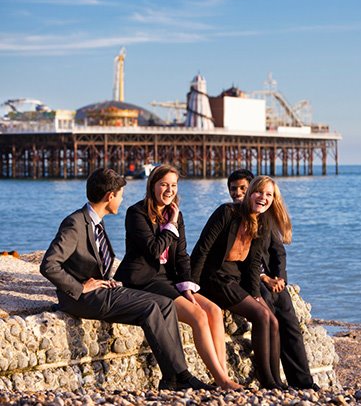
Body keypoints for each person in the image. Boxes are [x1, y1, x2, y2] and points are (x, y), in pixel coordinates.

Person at [40, 168, 213, 391]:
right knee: (151, 306)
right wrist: (80, 287)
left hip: (102, 289)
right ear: (110, 196)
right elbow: (49, 265)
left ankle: (173, 377)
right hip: (80, 298)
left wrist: (104, 280)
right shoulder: (76, 223)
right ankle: (181, 376)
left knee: (165, 304)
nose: (122, 200)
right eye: (120, 194)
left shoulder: (95, 222)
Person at [114, 165, 241, 390]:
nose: (169, 189)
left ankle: (222, 375)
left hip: (168, 279)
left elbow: (181, 255)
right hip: (143, 280)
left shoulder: (175, 214)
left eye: (173, 185)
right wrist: (170, 225)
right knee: (198, 316)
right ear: (152, 185)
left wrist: (187, 288)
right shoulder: (137, 213)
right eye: (163, 184)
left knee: (214, 311)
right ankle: (223, 380)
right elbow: (154, 250)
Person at [191, 175, 289, 390]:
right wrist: (192, 286)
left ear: (273, 199)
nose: (263, 197)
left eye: (269, 195)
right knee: (261, 315)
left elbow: (253, 263)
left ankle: (276, 380)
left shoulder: (262, 221)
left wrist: (255, 294)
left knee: (272, 318)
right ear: (251, 192)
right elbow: (202, 248)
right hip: (214, 277)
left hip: (235, 279)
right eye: (259, 192)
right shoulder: (227, 212)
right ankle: (267, 381)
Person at [227, 169, 318, 391]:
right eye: (233, 189)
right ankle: (271, 378)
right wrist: (263, 278)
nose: (238, 193)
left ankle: (302, 381)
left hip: (268, 279)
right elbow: (234, 259)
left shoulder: (265, 216)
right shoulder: (230, 215)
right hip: (246, 279)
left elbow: (278, 253)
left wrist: (280, 278)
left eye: (243, 188)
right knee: (267, 311)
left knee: (289, 318)